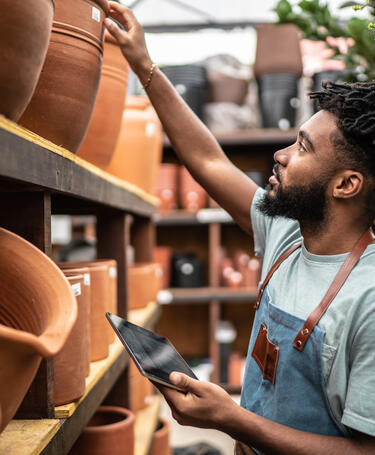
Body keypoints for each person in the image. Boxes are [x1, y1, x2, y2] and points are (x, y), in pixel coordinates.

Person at [104, 3, 375, 453]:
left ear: (347, 185)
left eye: (303, 148)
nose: (282, 155)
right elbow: (208, 159)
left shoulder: (367, 299)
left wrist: (232, 419)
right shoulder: (287, 238)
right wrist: (142, 63)